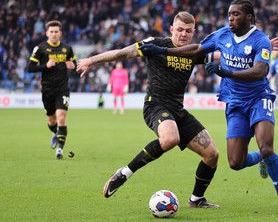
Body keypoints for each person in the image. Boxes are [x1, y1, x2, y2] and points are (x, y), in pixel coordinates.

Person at [139, 0, 278, 215]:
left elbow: (260, 71)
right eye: (229, 14)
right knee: (235, 162)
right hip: (234, 103)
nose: (230, 18)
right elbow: (195, 50)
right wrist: (161, 51)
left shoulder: (261, 40)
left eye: (236, 14)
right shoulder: (222, 35)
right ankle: (261, 158)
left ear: (249, 17)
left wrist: (227, 72)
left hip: (259, 98)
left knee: (267, 146)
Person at [77, 12, 221, 208]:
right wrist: (91, 61)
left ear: (193, 32)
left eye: (188, 31)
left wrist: (256, 49)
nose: (183, 34)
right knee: (170, 139)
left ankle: (196, 200)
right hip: (156, 105)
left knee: (212, 154)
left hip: (178, 110)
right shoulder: (156, 44)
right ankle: (124, 173)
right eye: (179, 30)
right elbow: (123, 52)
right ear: (171, 29)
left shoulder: (193, 51)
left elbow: (224, 55)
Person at [27, 20, 76, 159]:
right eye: (51, 32)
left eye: (56, 32)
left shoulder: (67, 48)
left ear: (60, 33)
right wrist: (45, 66)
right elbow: (30, 68)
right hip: (47, 89)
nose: (54, 34)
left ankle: (59, 150)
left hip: (63, 88)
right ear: (47, 33)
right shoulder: (40, 48)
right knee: (51, 121)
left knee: (61, 118)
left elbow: (75, 64)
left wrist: (73, 66)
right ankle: (55, 133)